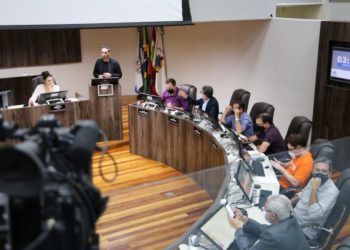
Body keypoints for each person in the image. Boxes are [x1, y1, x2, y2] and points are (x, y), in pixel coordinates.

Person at [227, 194, 309, 250]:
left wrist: (237, 228)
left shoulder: (273, 236)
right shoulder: (290, 220)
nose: (263, 210)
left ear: (273, 216)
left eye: (265, 210)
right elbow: (262, 228)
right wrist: (243, 218)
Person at [291, 157, 339, 241]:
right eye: (317, 170)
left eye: (324, 171)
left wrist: (314, 189)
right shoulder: (314, 180)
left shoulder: (331, 192)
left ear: (330, 174)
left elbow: (314, 215)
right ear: (313, 171)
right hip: (293, 217)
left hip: (304, 229)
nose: (319, 173)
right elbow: (302, 194)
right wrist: (288, 202)